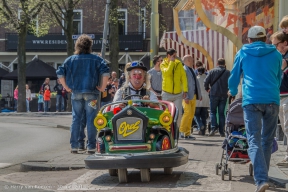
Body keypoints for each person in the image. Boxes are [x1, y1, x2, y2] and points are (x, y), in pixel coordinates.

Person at [228, 26, 282, 192]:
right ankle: (263, 176)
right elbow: (278, 77)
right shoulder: (276, 54)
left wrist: (233, 91)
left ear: (249, 40)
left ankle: (260, 180)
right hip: (272, 99)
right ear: (265, 38)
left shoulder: (243, 52)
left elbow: (234, 76)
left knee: (253, 139)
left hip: (251, 100)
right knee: (267, 139)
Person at [56, 34, 110, 154]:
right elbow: (106, 72)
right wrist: (102, 87)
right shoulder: (96, 59)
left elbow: (60, 73)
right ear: (90, 46)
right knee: (91, 119)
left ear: (77, 46)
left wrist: (66, 87)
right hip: (92, 93)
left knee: (76, 119)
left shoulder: (70, 60)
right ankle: (91, 146)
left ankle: (75, 145)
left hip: (76, 92)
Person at [270, 31, 288, 166]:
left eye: (276, 44)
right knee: (284, 127)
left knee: (287, 126)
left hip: (287, 95)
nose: (274, 47)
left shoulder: (284, 57)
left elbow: (280, 68)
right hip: (280, 95)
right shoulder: (280, 55)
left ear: (284, 43)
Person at [161, 48, 188, 128]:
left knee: (178, 113)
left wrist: (185, 90)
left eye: (175, 56)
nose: (175, 58)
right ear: (168, 55)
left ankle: (176, 130)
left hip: (178, 93)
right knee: (166, 113)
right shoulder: (163, 64)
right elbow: (167, 73)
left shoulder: (179, 64)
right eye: (173, 56)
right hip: (166, 93)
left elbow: (183, 77)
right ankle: (166, 129)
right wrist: (171, 63)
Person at [204, 58, 230, 137]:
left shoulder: (212, 71)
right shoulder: (228, 72)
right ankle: (222, 131)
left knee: (213, 112)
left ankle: (213, 128)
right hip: (224, 94)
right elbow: (231, 83)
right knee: (222, 113)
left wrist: (207, 89)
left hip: (214, 94)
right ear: (224, 64)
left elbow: (206, 81)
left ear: (217, 64)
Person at [179, 55, 201, 140]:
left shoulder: (191, 70)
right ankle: (182, 131)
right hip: (187, 96)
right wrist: (185, 96)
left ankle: (187, 133)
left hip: (193, 95)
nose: (193, 61)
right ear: (187, 61)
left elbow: (196, 83)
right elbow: (182, 84)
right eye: (191, 60)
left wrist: (199, 94)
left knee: (191, 114)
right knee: (187, 113)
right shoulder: (184, 70)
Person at [194, 66, 210, 135]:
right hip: (206, 98)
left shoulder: (196, 79)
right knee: (204, 115)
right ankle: (203, 131)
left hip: (198, 98)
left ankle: (200, 125)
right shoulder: (207, 79)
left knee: (196, 114)